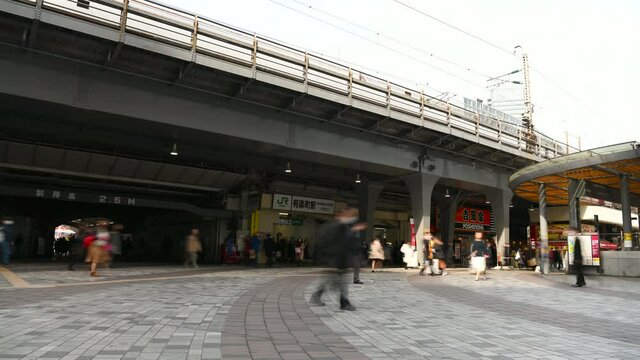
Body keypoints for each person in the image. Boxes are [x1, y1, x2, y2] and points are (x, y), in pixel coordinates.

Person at [310, 207, 365, 311]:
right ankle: (343, 303)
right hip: (337, 261)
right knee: (341, 282)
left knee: (332, 281)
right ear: (339, 216)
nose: (351, 218)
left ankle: (317, 296)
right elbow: (341, 244)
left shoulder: (333, 227)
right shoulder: (338, 227)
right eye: (350, 216)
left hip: (334, 261)